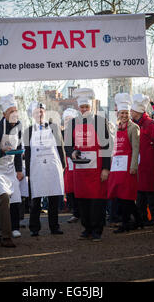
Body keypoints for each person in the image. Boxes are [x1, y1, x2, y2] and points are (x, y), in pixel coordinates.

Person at [66, 88, 112, 242]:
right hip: (80, 168)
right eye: (82, 107)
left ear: (91, 107)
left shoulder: (100, 121)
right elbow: (67, 146)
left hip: (97, 168)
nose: (84, 109)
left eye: (86, 107)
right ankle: (86, 229)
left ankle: (97, 230)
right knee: (82, 199)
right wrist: (71, 152)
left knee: (97, 200)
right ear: (79, 108)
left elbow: (106, 147)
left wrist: (106, 168)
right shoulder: (72, 123)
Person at [0, 94, 24, 248]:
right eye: (11, 111)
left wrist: (19, 170)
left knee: (3, 199)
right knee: (4, 198)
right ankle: (6, 237)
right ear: (4, 114)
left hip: (8, 167)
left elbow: (19, 149)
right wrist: (2, 150)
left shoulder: (19, 126)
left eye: (16, 111)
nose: (14, 114)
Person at [24, 101, 66, 236]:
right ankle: (34, 228)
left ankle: (54, 227)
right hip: (36, 169)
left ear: (45, 112)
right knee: (35, 199)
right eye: (36, 112)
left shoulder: (54, 127)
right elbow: (28, 152)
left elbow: (60, 146)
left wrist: (63, 165)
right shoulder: (28, 131)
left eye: (41, 111)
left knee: (53, 198)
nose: (39, 114)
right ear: (32, 115)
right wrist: (28, 172)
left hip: (52, 167)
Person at [108, 93, 140, 233]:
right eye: (121, 113)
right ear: (118, 114)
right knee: (120, 194)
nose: (124, 115)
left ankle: (126, 222)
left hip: (127, 166)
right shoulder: (116, 127)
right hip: (116, 165)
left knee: (126, 195)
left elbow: (136, 148)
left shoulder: (134, 128)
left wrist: (133, 166)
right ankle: (138, 220)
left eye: (126, 113)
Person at [131, 94, 154, 226]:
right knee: (141, 191)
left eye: (132, 110)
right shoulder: (136, 123)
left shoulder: (149, 124)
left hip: (149, 163)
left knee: (150, 191)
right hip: (139, 162)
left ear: (138, 111)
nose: (130, 112)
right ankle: (142, 216)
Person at [61, 108, 80, 223]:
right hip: (67, 164)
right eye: (66, 119)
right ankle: (74, 212)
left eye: (70, 119)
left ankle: (80, 212)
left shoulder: (77, 132)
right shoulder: (62, 133)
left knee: (78, 187)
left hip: (77, 163)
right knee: (69, 189)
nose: (68, 121)